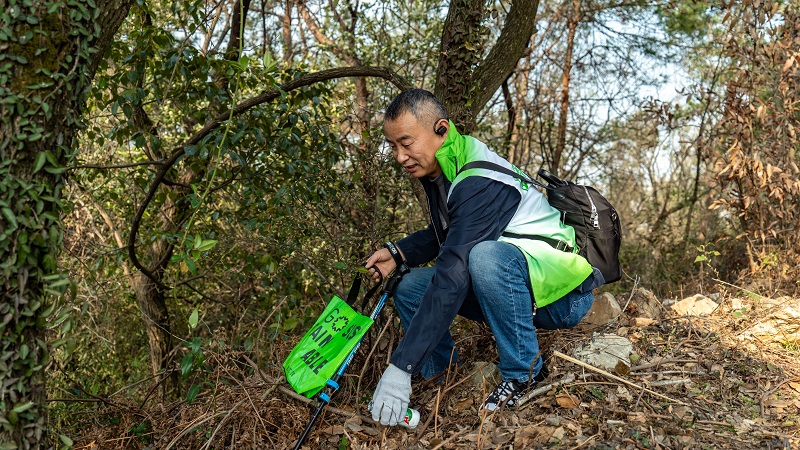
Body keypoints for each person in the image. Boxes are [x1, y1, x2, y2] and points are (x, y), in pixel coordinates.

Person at [365, 89, 602, 426]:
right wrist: (398, 252)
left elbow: (454, 270)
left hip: (564, 300)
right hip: (524, 290)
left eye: (406, 143)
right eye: (393, 146)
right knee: (410, 286)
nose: (400, 156)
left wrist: (399, 366)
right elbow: (452, 233)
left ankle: (525, 373)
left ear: (441, 129)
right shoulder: (445, 167)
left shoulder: (477, 178)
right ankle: (442, 377)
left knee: (484, 256)